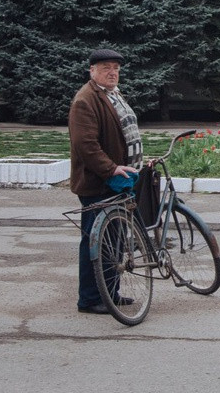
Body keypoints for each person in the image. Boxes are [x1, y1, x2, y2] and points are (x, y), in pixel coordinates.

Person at [68, 48, 142, 314]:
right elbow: (85, 145)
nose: (112, 72)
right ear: (92, 71)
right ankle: (89, 299)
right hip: (98, 182)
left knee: (114, 239)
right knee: (94, 242)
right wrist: (110, 169)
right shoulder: (85, 100)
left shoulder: (112, 94)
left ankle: (110, 293)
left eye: (116, 68)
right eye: (106, 68)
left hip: (119, 179)